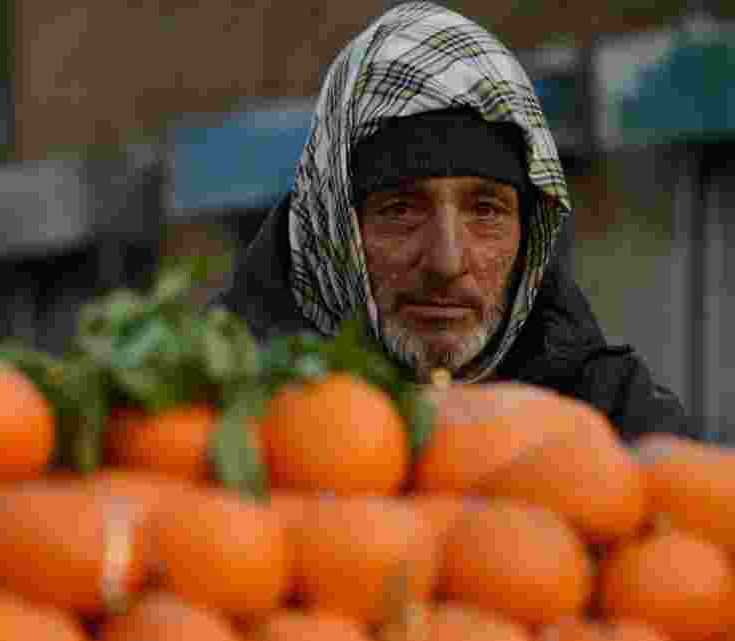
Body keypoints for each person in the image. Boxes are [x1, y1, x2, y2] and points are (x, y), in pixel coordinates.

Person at [209, 1, 693, 441]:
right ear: (332, 227)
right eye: (400, 210)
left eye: (486, 211)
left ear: (530, 233)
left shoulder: (614, 421)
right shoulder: (210, 405)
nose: (446, 262)